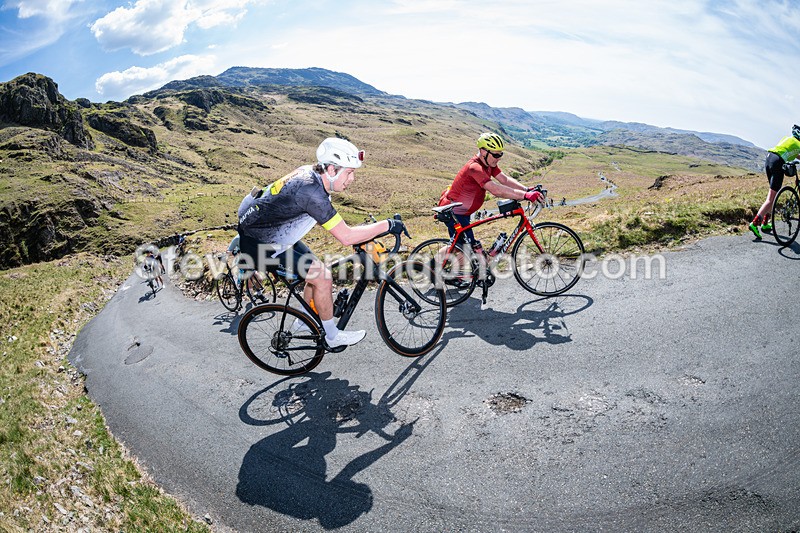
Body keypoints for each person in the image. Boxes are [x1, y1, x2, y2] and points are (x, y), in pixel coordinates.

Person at [237, 137, 407, 348]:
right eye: (349, 172)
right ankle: (332, 336)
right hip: (259, 245)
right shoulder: (311, 192)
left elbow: (325, 218)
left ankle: (302, 321)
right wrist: (387, 225)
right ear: (331, 170)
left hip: (270, 234)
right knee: (322, 276)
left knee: (316, 271)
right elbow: (346, 237)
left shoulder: (312, 175)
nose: (352, 179)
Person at [438, 132, 543, 252]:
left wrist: (526, 189)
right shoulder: (475, 167)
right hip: (455, 213)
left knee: (463, 249)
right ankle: (429, 268)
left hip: (463, 213)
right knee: (464, 251)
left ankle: (434, 268)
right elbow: (495, 190)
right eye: (496, 155)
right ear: (483, 151)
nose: (498, 158)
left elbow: (504, 179)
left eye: (500, 154)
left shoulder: (488, 163)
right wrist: (525, 195)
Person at [749, 125, 800, 239]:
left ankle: (765, 223)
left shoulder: (787, 139)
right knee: (771, 198)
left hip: (769, 159)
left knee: (773, 194)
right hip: (778, 162)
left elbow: (797, 155)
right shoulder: (798, 144)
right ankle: (755, 223)